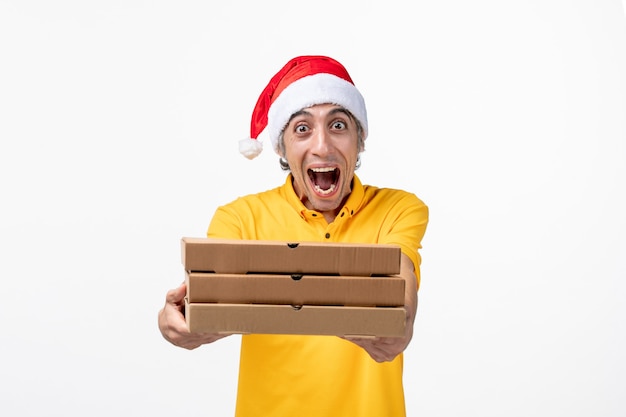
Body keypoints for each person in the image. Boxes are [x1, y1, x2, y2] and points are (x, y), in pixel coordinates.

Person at [158, 55, 429, 417]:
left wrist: (402, 324)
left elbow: (402, 284)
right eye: (302, 129)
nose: (322, 146)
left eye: (338, 125)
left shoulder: (398, 209)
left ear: (359, 140)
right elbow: (203, 299)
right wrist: (174, 320)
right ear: (282, 147)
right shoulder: (240, 219)